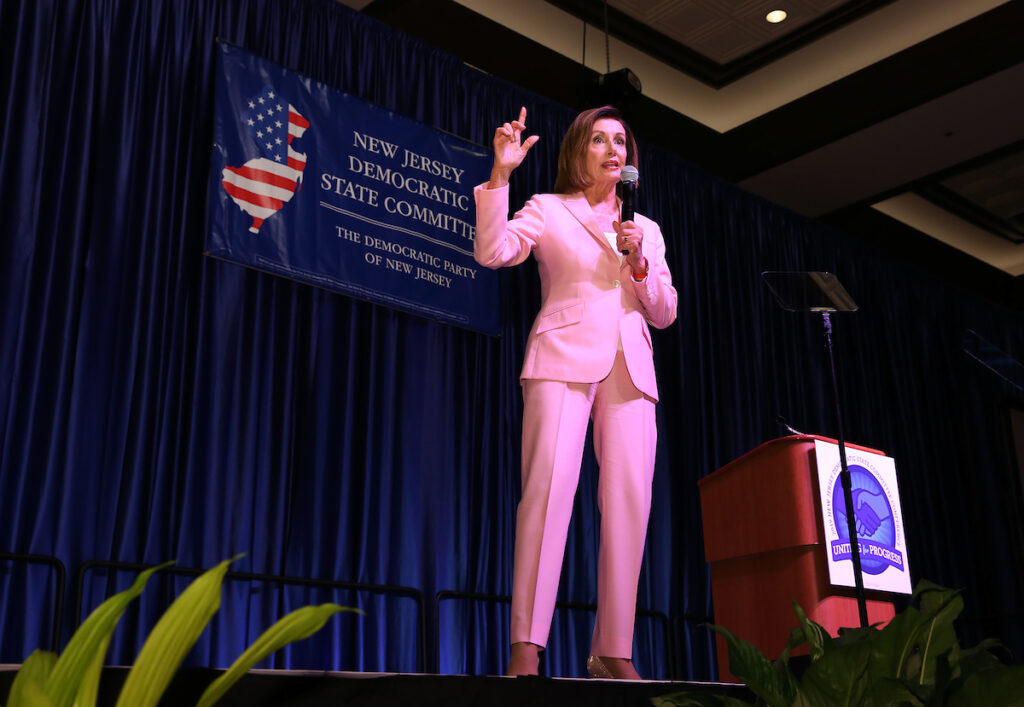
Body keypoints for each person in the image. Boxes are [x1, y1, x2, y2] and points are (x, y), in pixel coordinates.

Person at [474, 106, 678, 679]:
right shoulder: (549, 209)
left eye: (622, 140)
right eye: (599, 139)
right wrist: (500, 178)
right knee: (547, 494)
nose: (614, 148)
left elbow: (664, 311)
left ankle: (611, 651)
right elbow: (495, 252)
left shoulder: (649, 230)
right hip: (563, 358)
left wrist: (639, 262)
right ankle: (526, 646)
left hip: (631, 369)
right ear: (577, 153)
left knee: (629, 507)